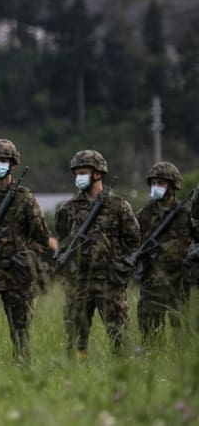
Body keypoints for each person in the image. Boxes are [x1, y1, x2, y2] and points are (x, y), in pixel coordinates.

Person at [0, 138, 57, 364]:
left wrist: (28, 255)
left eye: (4, 160)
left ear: (13, 164)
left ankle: (22, 372)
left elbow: (42, 238)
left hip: (16, 275)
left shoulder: (24, 198)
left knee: (20, 332)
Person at [54, 150, 139, 357]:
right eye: (76, 173)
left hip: (109, 280)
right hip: (78, 280)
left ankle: (123, 376)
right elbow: (63, 236)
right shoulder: (68, 209)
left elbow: (134, 240)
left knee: (118, 335)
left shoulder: (119, 206)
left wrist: (121, 266)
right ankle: (75, 376)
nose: (79, 177)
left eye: (83, 172)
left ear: (98, 174)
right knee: (75, 338)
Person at [134, 161, 198, 344]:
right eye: (153, 183)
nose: (155, 187)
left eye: (160, 183)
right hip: (151, 284)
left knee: (183, 335)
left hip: (179, 282)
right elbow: (131, 241)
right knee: (150, 336)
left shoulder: (186, 213)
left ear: (173, 185)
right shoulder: (144, 214)